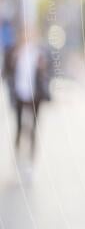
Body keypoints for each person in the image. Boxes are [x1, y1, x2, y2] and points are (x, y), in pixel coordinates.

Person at [3, 25, 51, 163]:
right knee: (18, 125)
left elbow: (49, 71)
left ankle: (31, 156)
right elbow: (7, 71)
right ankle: (17, 153)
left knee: (34, 127)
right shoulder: (15, 51)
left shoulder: (40, 52)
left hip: (35, 94)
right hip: (19, 92)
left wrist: (43, 69)